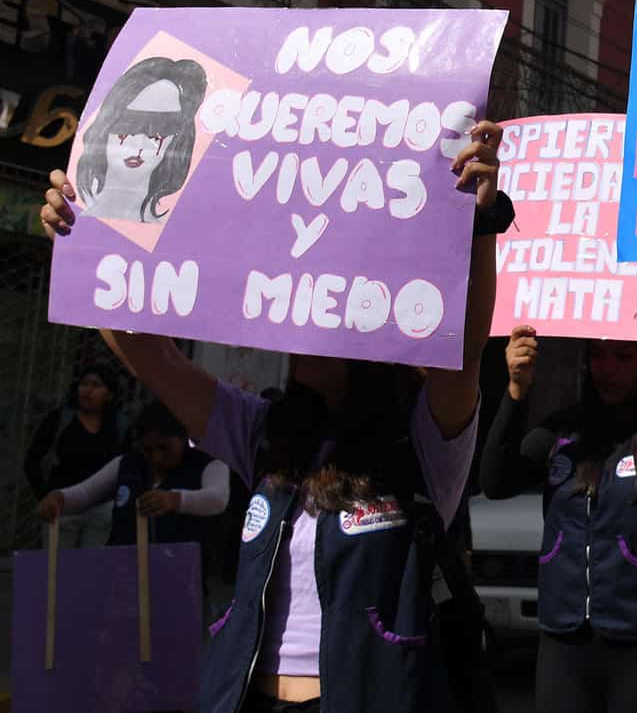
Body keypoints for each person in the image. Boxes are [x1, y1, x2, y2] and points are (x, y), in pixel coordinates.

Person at [41, 121, 510, 713]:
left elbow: (462, 351)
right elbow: (148, 354)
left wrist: (479, 225)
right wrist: (92, 231)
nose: (296, 317)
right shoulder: (261, 430)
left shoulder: (419, 445)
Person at [478, 328, 637, 713]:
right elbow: (495, 482)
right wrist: (517, 390)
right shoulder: (564, 431)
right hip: (564, 641)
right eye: (599, 356)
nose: (608, 369)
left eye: (622, 358)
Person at [38, 400, 230, 553]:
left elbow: (218, 498)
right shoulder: (128, 465)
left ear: (183, 438)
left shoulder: (208, 464)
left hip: (181, 575)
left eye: (165, 448)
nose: (156, 457)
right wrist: (59, 498)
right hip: (122, 573)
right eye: (148, 450)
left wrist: (174, 500)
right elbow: (86, 493)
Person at [73, 55, 208, 224]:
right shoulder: (74, 219)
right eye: (130, 122)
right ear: (107, 124)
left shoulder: (176, 234)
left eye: (163, 126)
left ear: (178, 138)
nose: (141, 142)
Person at [24, 361, 123, 548]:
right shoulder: (59, 420)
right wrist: (45, 496)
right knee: (58, 572)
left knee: (92, 570)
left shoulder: (119, 426)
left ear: (109, 394)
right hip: (62, 508)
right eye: (84, 384)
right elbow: (32, 461)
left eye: (96, 385)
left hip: (101, 512)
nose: (87, 390)